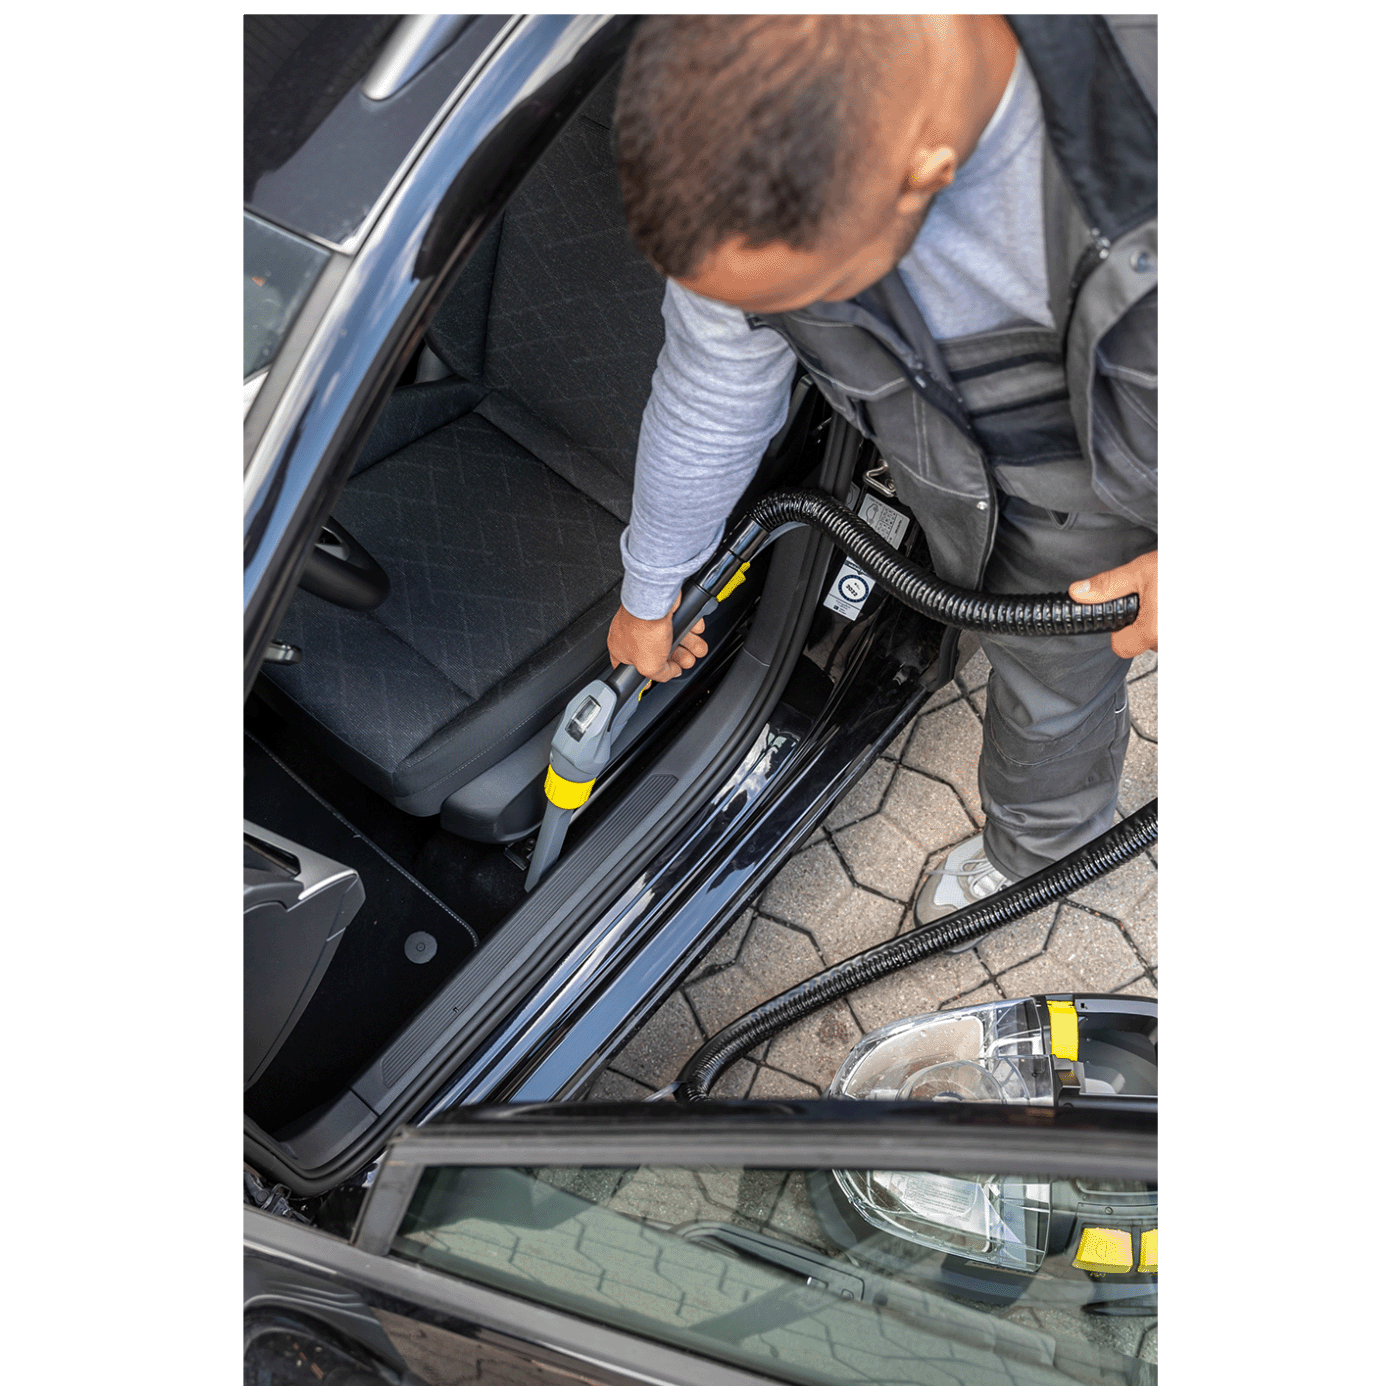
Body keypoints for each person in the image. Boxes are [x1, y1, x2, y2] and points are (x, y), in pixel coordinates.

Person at [604, 14, 1157, 926]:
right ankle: (1043, 853)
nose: (769, 320)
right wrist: (652, 587)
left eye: (802, 297)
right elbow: (711, 393)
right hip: (1029, 510)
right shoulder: (744, 173)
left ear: (929, 175)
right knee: (1050, 691)